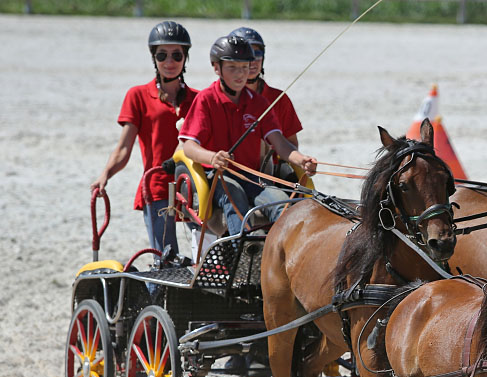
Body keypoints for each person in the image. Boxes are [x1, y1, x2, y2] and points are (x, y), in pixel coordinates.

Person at [178, 35, 317, 237]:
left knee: (279, 200)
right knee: (234, 196)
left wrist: (301, 159)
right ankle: (242, 253)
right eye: (232, 67)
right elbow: (189, 146)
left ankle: (283, 253)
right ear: (217, 68)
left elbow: (280, 144)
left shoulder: (258, 103)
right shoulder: (206, 100)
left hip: (251, 176)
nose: (240, 74)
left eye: (244, 67)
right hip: (217, 176)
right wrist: (213, 158)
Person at [91, 21, 197, 255]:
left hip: (194, 187)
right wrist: (105, 175)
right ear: (154, 58)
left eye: (176, 55)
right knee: (165, 259)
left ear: (185, 57)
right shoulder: (137, 95)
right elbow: (123, 148)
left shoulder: (199, 99)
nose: (169, 62)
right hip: (157, 186)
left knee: (207, 257)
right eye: (162, 55)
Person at [228, 26, 303, 180]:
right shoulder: (218, 98)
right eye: (246, 55)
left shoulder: (278, 98)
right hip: (233, 170)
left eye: (258, 54)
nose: (253, 60)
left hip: (271, 169)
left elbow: (292, 143)